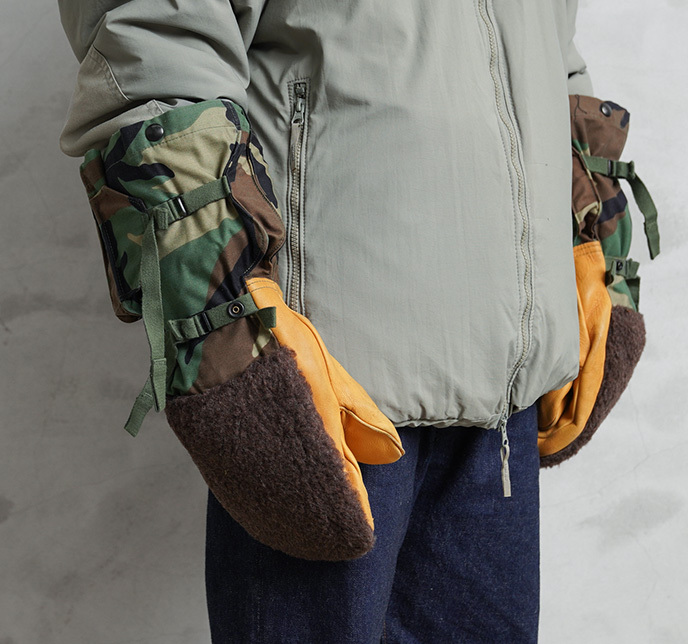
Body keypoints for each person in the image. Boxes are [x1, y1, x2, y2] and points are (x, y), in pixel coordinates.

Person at [57, 1, 597, 641]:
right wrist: (227, 339)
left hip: (506, 406)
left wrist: (595, 243)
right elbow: (153, 37)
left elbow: (551, 51)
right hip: (323, 399)